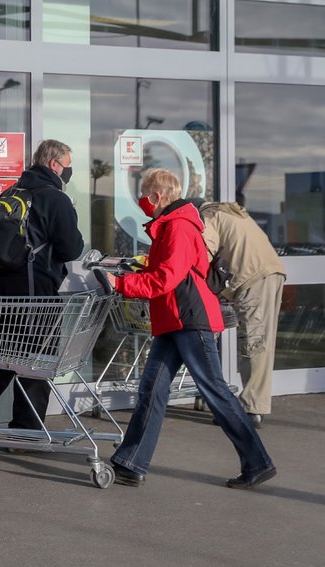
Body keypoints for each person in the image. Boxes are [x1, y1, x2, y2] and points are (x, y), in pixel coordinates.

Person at [103, 168, 275, 489]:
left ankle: (258, 462)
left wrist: (121, 284)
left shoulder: (179, 226)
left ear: (157, 196)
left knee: (215, 391)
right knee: (152, 390)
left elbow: (167, 277)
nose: (141, 199)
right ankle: (132, 462)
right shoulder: (170, 225)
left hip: (189, 320)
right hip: (175, 320)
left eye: (144, 193)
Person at [0, 139, 84, 429]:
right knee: (36, 361)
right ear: (54, 165)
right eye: (67, 166)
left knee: (0, 358)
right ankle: (26, 430)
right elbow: (72, 249)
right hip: (35, 293)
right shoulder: (55, 199)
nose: (68, 173)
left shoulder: (12, 191)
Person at [190, 199, 286, 428]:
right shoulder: (229, 212)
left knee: (254, 343)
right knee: (261, 342)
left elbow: (204, 251)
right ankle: (251, 404)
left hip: (253, 279)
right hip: (269, 272)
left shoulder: (210, 215)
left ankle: (250, 409)